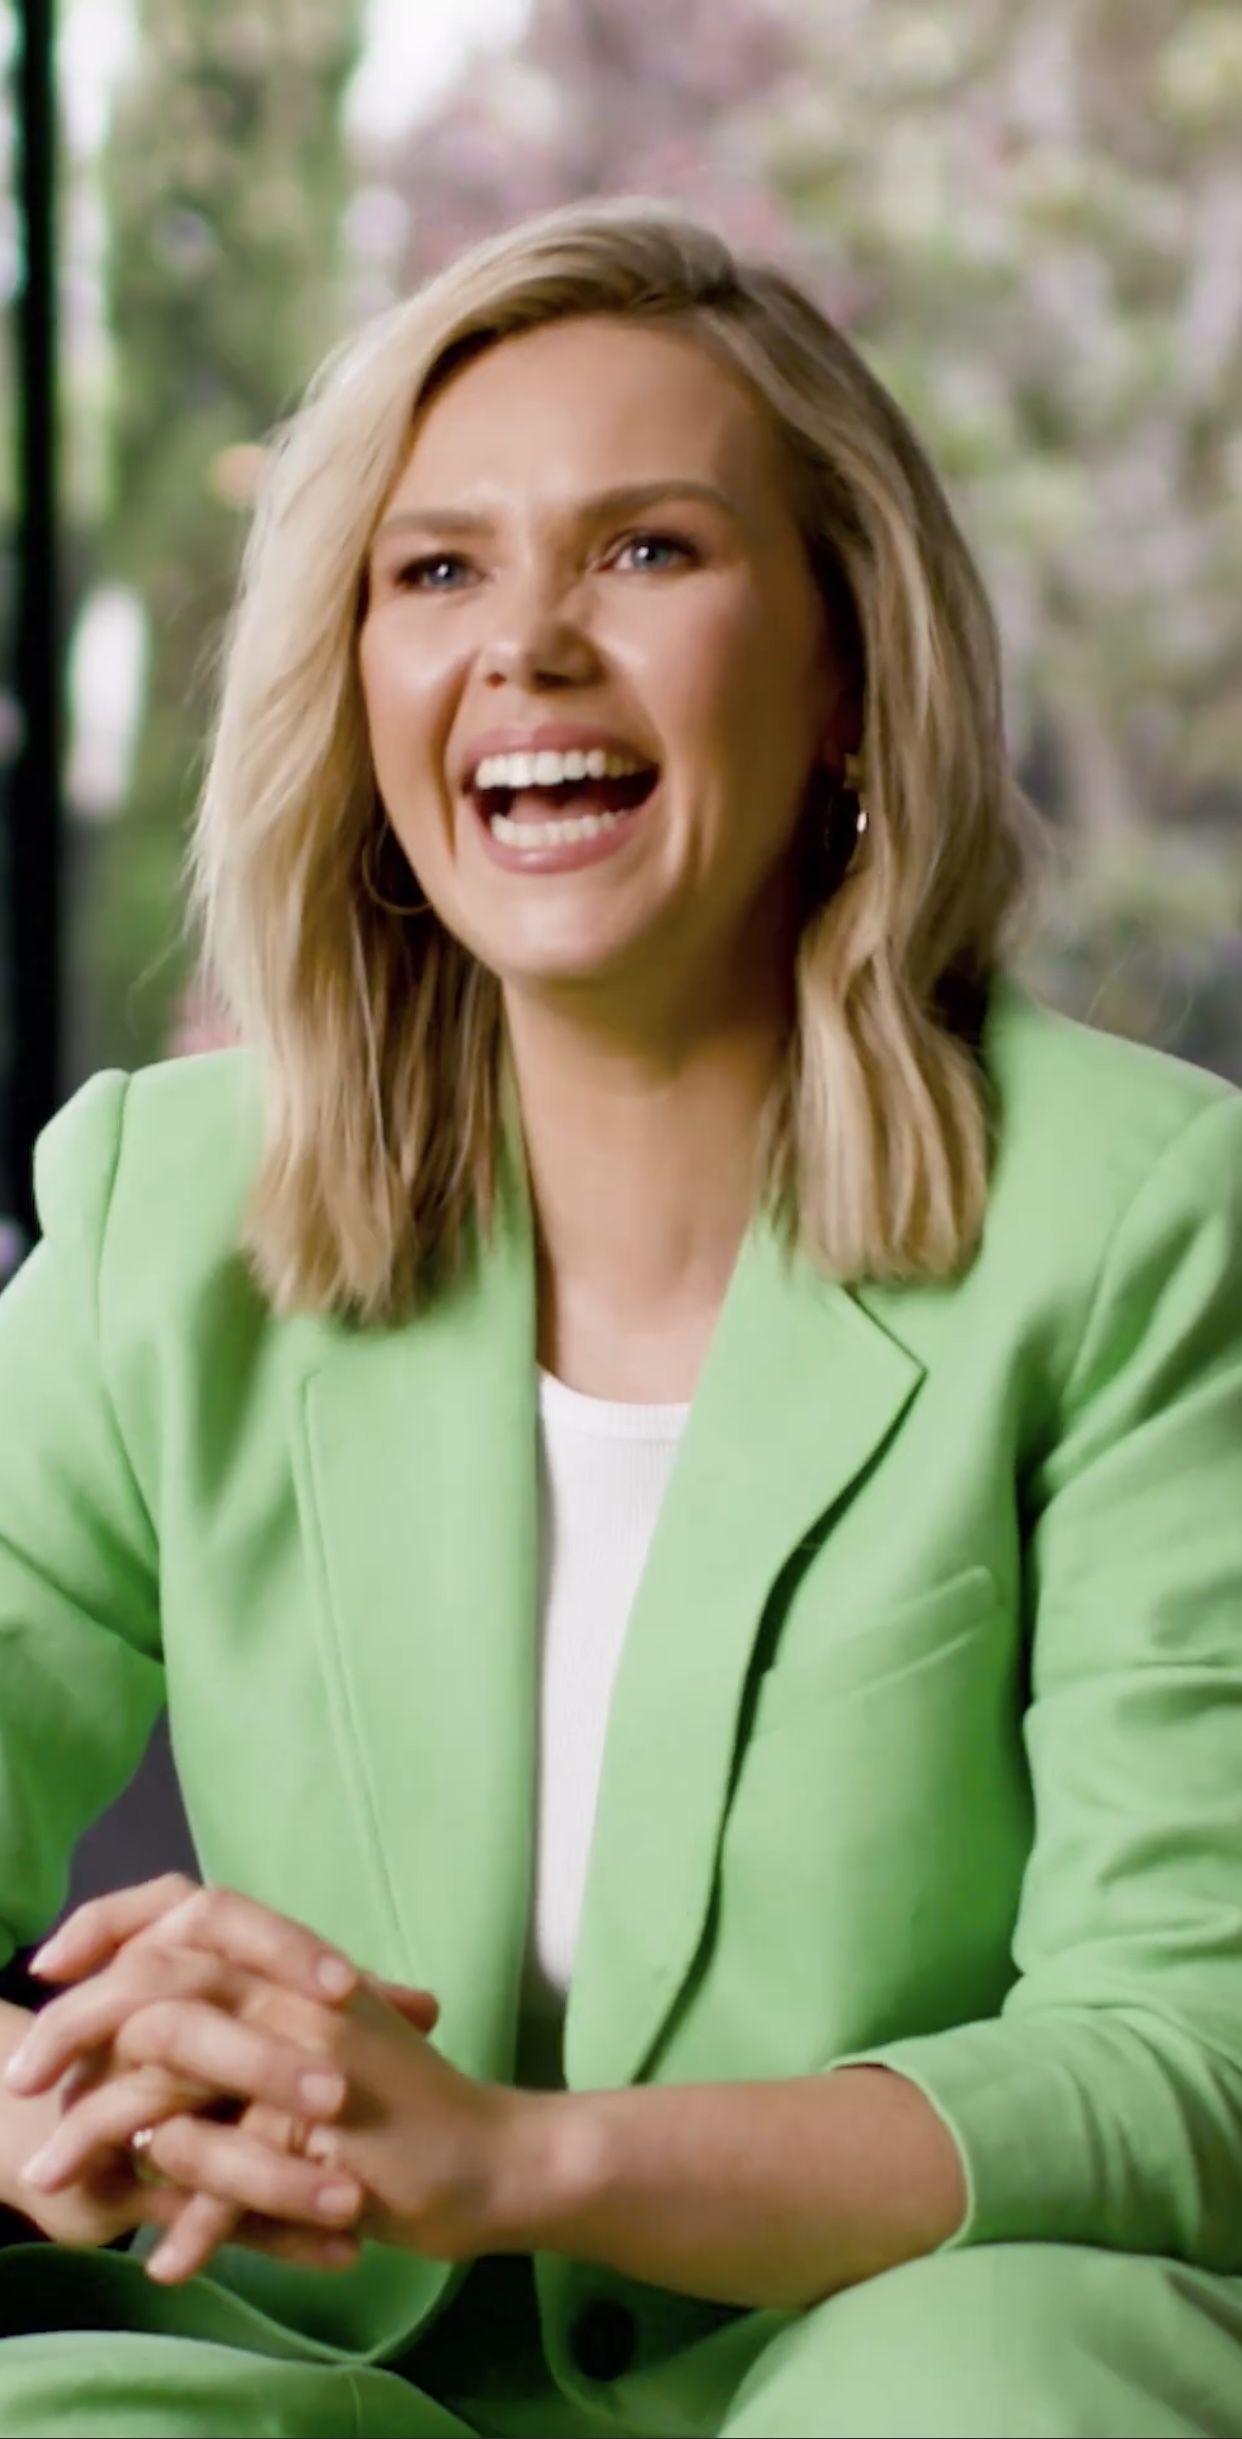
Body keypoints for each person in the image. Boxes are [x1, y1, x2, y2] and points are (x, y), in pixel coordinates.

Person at [0, 196, 1238, 2439]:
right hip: (307, 2378)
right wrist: (27, 2091)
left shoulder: (1140, 1219)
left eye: (648, 550)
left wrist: (515, 2161)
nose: (528, 647)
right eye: (435, 570)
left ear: (846, 672)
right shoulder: (154, 1209)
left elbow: (1189, 2064)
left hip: (887, 2353)